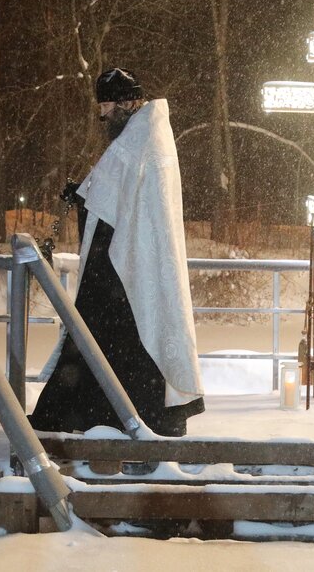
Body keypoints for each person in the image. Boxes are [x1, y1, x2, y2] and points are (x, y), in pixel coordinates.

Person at [30, 68, 205, 436]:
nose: (102, 116)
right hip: (129, 260)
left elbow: (111, 205)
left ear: (127, 103)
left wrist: (82, 199)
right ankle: (124, 415)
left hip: (121, 267)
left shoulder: (135, 142)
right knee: (117, 340)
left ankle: (103, 415)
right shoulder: (147, 136)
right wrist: (82, 194)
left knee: (113, 338)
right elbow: (118, 199)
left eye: (107, 106)